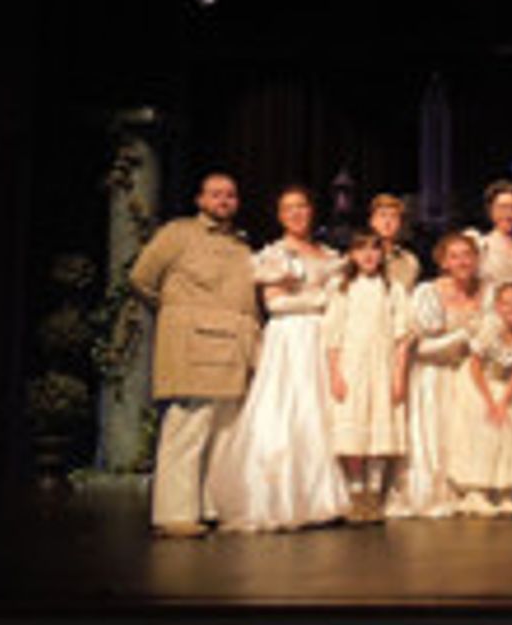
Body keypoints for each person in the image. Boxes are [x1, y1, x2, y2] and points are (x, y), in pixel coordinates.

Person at [205, 185, 349, 532]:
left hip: (324, 339)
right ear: (280, 216)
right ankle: (279, 497)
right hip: (290, 338)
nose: (297, 213)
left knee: (325, 411)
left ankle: (323, 495)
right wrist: (320, 299)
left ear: (311, 211)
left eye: (302, 206)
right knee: (289, 410)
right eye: (289, 209)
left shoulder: (329, 254)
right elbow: (276, 304)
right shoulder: (275, 254)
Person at [129, 171, 259, 538]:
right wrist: (179, 315)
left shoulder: (241, 245)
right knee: (187, 427)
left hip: (234, 348)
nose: (224, 200)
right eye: (216, 194)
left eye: (230, 195)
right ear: (200, 200)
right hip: (194, 346)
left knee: (222, 433)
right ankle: (174, 514)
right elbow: (141, 278)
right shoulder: (178, 233)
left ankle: (209, 506)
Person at [388, 231, 490, 519]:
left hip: (470, 376)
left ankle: (471, 489)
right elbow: (420, 348)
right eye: (454, 256)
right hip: (434, 376)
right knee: (435, 437)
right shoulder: (428, 293)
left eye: (467, 255)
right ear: (443, 262)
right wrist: (461, 337)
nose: (462, 261)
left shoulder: (487, 291)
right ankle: (436, 490)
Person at [323, 229, 412, 524]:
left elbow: (402, 336)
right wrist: (335, 373)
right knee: (354, 428)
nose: (369, 255)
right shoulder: (342, 288)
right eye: (361, 249)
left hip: (383, 366)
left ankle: (375, 494)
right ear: (351, 254)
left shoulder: (393, 289)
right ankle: (356, 491)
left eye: (374, 249)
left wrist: (399, 374)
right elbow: (332, 336)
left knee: (379, 429)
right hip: (353, 366)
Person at [450, 282, 512, 515]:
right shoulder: (490, 327)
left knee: (510, 428)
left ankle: (503, 490)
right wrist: (490, 402)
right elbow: (476, 365)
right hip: (479, 383)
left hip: (505, 384)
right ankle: (477, 491)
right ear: (497, 306)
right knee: (484, 430)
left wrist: (504, 401)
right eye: (506, 303)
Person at [369, 193, 421, 292]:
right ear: (372, 221)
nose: (388, 221)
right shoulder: (358, 257)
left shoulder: (410, 262)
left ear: (399, 223)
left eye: (393, 216)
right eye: (382, 215)